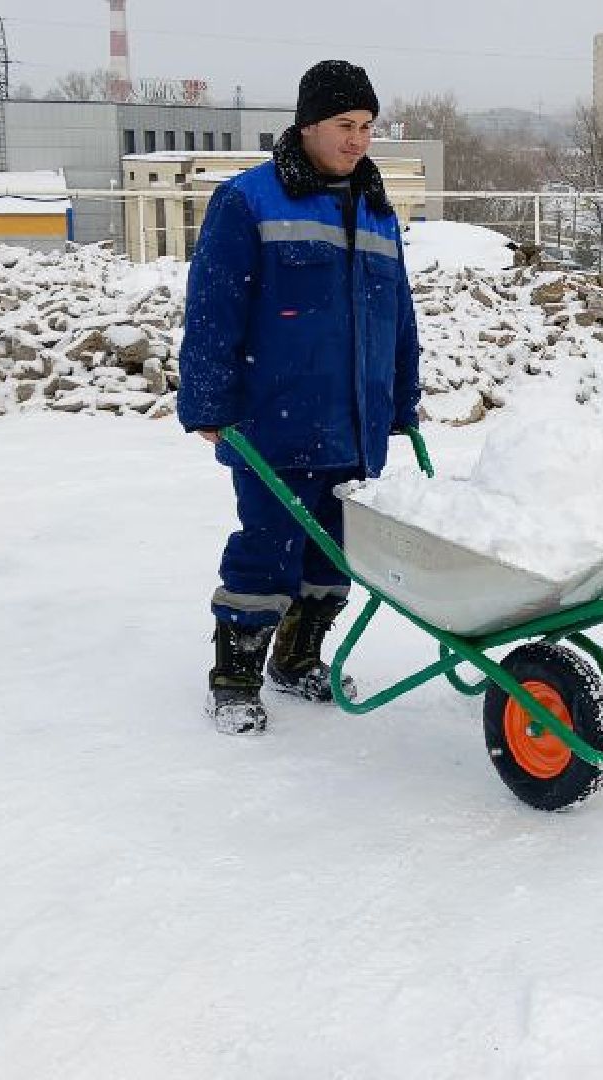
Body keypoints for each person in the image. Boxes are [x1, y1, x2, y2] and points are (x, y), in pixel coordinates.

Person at [176, 60, 423, 736]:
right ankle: (233, 677)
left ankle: (298, 657)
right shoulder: (251, 200)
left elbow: (396, 315)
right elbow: (214, 308)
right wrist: (207, 402)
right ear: (308, 124)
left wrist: (402, 396)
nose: (358, 139)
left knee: (337, 552)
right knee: (269, 549)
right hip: (273, 420)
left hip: (355, 420)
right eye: (345, 125)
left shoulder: (376, 212)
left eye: (367, 126)